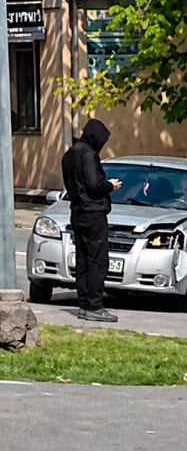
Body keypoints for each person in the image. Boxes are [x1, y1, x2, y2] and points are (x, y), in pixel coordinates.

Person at [60, 120, 122, 322]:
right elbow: (94, 185)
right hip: (93, 214)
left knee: (83, 261)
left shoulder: (70, 154)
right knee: (97, 261)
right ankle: (94, 306)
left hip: (77, 211)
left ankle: (84, 304)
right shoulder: (88, 155)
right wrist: (110, 185)